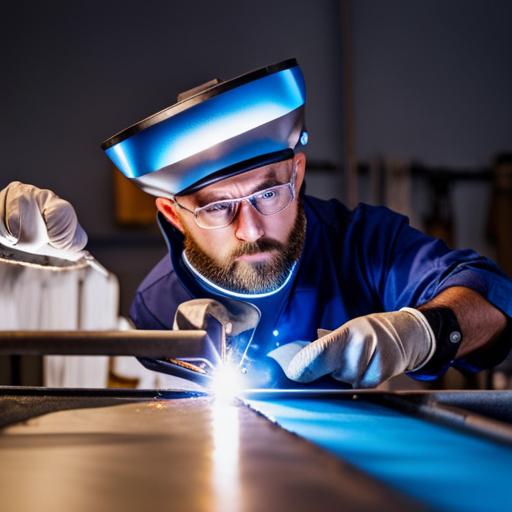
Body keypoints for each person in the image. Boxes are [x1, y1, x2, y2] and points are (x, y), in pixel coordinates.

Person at [2, 59, 511, 389]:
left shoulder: (363, 244)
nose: (251, 228)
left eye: (269, 192)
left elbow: (494, 300)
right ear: (172, 214)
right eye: (218, 207)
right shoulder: (158, 308)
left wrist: (422, 332)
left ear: (298, 172)